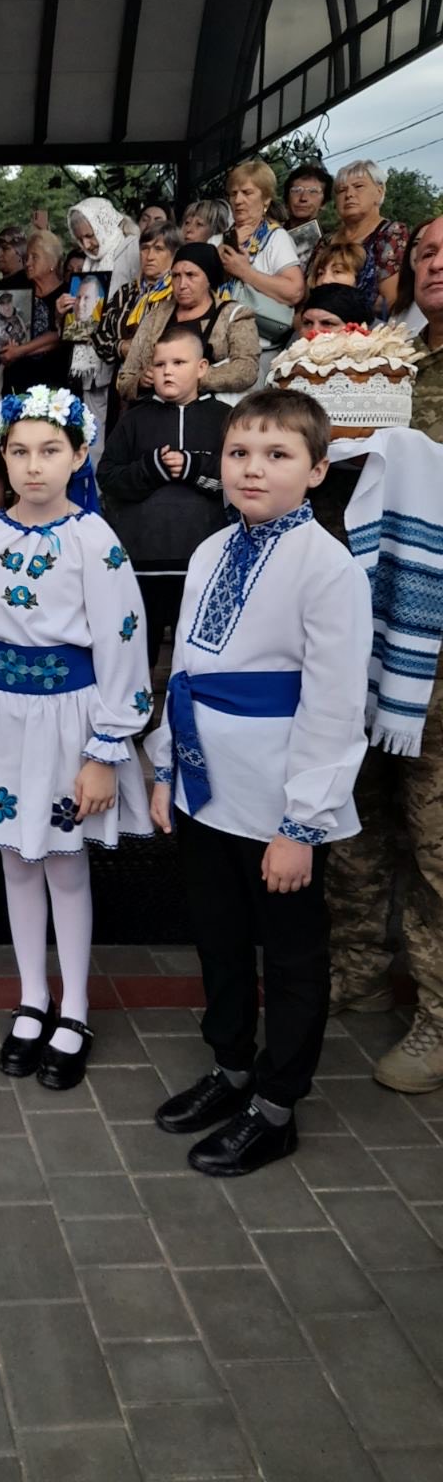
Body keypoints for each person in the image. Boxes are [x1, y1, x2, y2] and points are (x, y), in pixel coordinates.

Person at [147, 390, 372, 1174]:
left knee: (292, 954)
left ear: (317, 470)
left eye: (278, 455)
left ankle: (276, 1106)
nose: (253, 469)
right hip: (207, 787)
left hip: (279, 801)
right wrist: (167, 767)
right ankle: (232, 1066)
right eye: (241, 452)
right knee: (218, 937)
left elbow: (334, 706)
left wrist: (302, 824)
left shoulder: (328, 568)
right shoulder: (213, 549)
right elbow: (185, 670)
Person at [0, 385, 152, 1090]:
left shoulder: (96, 541)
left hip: (67, 721)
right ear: (3, 454)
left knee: (64, 862)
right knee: (16, 861)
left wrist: (105, 751)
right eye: (20, 451)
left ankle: (74, 1006)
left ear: (79, 455)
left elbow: (123, 645)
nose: (33, 466)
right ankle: (32, 997)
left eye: (50, 450)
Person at [326, 215, 443, 1089]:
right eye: (426, 251)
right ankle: (359, 970)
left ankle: (438, 1016)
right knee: (358, 811)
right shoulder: (391, 361)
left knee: (435, 831)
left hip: (436, 646)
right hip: (363, 625)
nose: (434, 263)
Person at [97, 321, 229, 668]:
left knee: (197, 653)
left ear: (202, 368)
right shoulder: (134, 419)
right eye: (159, 364)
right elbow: (108, 477)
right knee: (139, 652)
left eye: (179, 363)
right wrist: (150, 468)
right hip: (142, 561)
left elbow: (237, 477)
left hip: (203, 561)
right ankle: (137, 702)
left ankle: (186, 703)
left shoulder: (225, 419)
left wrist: (191, 467)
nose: (167, 371)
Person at [118, 243, 260, 405]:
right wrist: (140, 381)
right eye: (176, 276)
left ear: (209, 278)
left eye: (191, 275)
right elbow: (125, 380)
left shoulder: (234, 316)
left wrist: (188, 379)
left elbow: (246, 370)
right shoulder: (155, 316)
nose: (182, 284)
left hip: (212, 413)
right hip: (158, 412)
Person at [213, 159, 305, 388]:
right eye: (233, 193)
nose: (238, 200)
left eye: (247, 192)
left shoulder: (276, 238)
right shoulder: (218, 239)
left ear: (266, 199)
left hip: (258, 352)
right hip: (214, 348)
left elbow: (294, 291)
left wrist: (245, 272)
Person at [60, 198, 140, 449]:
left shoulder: (131, 247)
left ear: (103, 224)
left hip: (121, 357)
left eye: (90, 235)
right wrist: (66, 312)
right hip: (92, 361)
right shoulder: (89, 261)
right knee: (92, 432)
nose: (87, 245)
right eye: (80, 239)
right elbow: (86, 317)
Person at [306, 160, 409, 313]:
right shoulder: (326, 241)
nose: (349, 194)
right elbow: (307, 294)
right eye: (341, 190)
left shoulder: (392, 233)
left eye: (359, 186)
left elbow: (389, 300)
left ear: (379, 192)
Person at [93, 221, 181, 382]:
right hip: (121, 382)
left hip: (163, 381)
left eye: (158, 249)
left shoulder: (178, 294)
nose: (149, 256)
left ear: (174, 254)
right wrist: (120, 347)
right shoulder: (125, 293)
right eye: (145, 248)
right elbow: (99, 335)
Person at [0, 229, 71, 397]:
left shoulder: (67, 294)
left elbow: (61, 335)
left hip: (50, 387)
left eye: (34, 257)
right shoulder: (19, 294)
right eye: (26, 258)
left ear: (52, 262)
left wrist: (20, 351)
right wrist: (7, 351)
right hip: (15, 385)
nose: (28, 263)